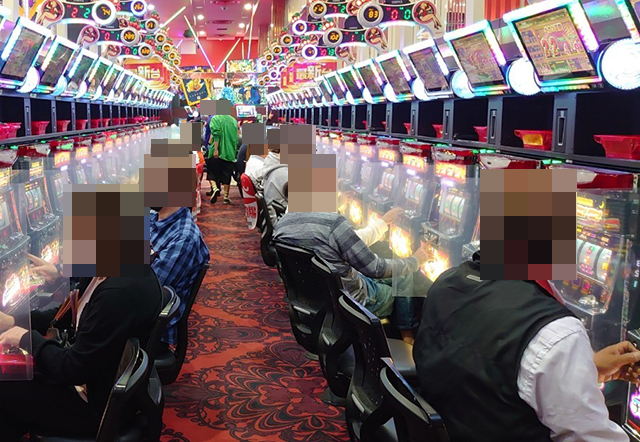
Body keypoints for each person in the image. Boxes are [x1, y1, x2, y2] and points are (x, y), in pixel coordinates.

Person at [413, 250, 640, 442]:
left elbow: (479, 366)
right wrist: (566, 359)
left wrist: (583, 370)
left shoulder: (447, 281)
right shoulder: (557, 333)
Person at [0, 271, 164, 440]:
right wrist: (14, 321)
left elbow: (73, 369)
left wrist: (27, 339)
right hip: (94, 378)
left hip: (97, 406)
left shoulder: (118, 292)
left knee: (5, 380)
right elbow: (68, 315)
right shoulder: (106, 271)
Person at [274, 209, 427, 340]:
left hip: (312, 294)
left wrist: (382, 223)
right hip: (351, 301)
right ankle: (406, 336)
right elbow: (375, 268)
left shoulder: (283, 224)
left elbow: (345, 243)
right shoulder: (333, 224)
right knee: (405, 274)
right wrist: (414, 261)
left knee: (392, 273)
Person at [150, 206, 210, 346]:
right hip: (132, 305)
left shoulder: (184, 237)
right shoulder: (152, 218)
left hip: (149, 328)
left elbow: (148, 291)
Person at [208, 112, 239, 204]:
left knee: (212, 172)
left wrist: (216, 149)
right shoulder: (233, 121)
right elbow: (236, 138)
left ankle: (215, 188)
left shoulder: (215, 118)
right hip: (230, 152)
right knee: (227, 174)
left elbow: (216, 135)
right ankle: (226, 196)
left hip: (218, 151)